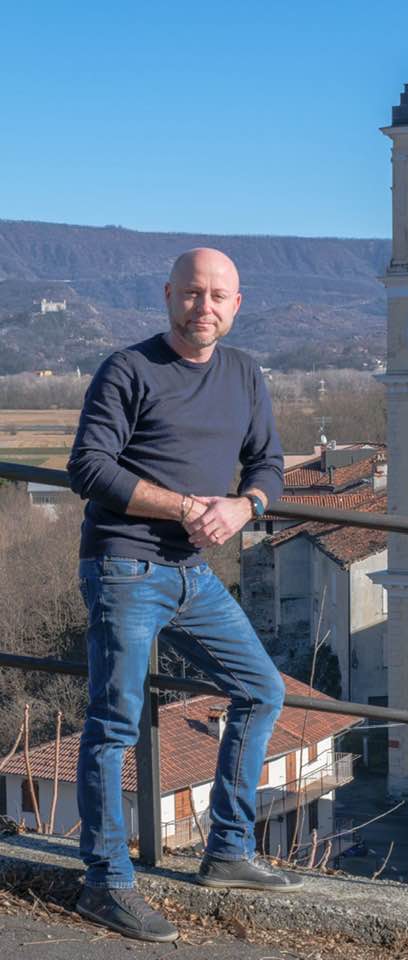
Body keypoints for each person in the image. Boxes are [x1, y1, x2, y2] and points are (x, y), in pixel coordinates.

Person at [67, 248, 303, 944]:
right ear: (169, 295)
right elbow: (89, 467)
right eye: (194, 293)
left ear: (237, 304)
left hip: (192, 574)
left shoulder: (244, 373)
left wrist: (245, 505)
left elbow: (269, 463)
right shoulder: (128, 369)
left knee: (261, 689)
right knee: (114, 725)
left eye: (218, 296)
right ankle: (105, 883)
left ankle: (227, 851)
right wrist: (184, 507)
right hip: (124, 566)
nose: (205, 306)